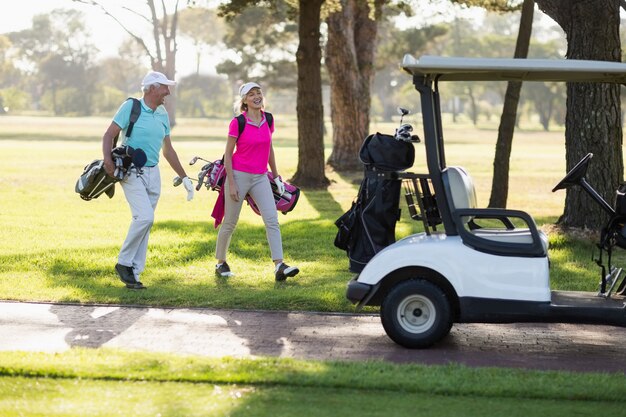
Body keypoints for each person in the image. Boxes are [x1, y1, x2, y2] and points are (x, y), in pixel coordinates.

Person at [102, 71, 194, 290]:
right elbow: (108, 135)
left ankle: (134, 272)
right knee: (144, 218)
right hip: (131, 171)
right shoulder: (131, 107)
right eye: (164, 87)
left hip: (154, 174)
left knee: (146, 224)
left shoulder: (162, 113)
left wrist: (184, 177)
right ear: (152, 88)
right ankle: (124, 263)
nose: (168, 92)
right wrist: (108, 162)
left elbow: (168, 150)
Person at [215, 82, 299, 281]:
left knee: (272, 220)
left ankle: (279, 265)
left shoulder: (268, 119)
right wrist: (233, 184)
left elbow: (269, 148)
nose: (256, 96)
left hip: (261, 177)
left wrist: (276, 176)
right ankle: (220, 262)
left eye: (258, 93)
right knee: (230, 222)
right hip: (238, 176)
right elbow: (228, 154)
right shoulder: (238, 122)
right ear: (244, 100)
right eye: (251, 94)